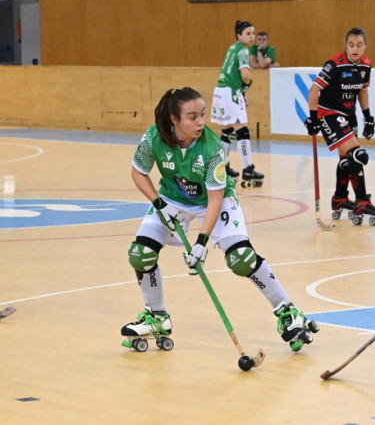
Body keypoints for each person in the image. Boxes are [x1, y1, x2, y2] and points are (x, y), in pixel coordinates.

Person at [121, 87, 318, 353]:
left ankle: (288, 311)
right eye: (192, 117)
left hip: (215, 201)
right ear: (174, 119)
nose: (201, 122)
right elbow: (138, 173)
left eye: (202, 115)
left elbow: (215, 200)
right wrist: (159, 204)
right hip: (172, 200)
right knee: (141, 254)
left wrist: (201, 244)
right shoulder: (153, 137)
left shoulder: (212, 147)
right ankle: (157, 317)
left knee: (241, 259)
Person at [304, 27, 375, 225]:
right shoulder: (334, 65)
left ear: (365, 46)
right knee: (358, 154)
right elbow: (315, 89)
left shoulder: (366, 65)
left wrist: (368, 117)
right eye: (351, 45)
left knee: (347, 159)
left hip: (350, 115)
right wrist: (313, 118)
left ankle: (340, 198)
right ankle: (362, 201)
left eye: (359, 45)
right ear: (345, 46)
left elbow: (363, 91)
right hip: (329, 114)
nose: (355, 49)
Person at [210, 20, 264, 187]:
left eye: (253, 33)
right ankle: (248, 169)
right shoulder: (242, 51)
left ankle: (223, 167)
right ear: (239, 35)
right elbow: (245, 75)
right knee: (242, 131)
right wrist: (246, 86)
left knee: (226, 131)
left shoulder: (232, 48)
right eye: (248, 33)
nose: (252, 37)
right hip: (231, 92)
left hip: (219, 91)